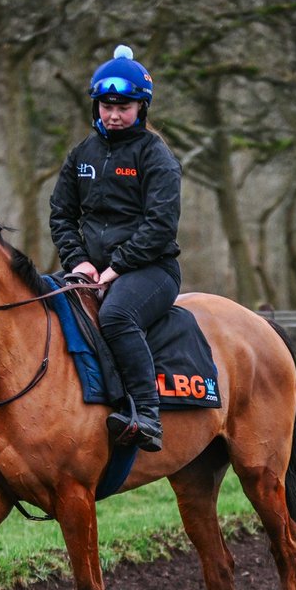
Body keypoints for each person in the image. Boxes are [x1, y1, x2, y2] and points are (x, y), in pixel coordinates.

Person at [48, 45, 183, 452]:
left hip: (151, 271)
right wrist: (80, 261)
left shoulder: (157, 157)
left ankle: (147, 414)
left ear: (142, 108)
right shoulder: (80, 156)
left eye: (123, 106)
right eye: (106, 105)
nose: (113, 114)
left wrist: (117, 268)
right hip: (90, 268)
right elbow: (61, 215)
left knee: (117, 315)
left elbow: (159, 226)